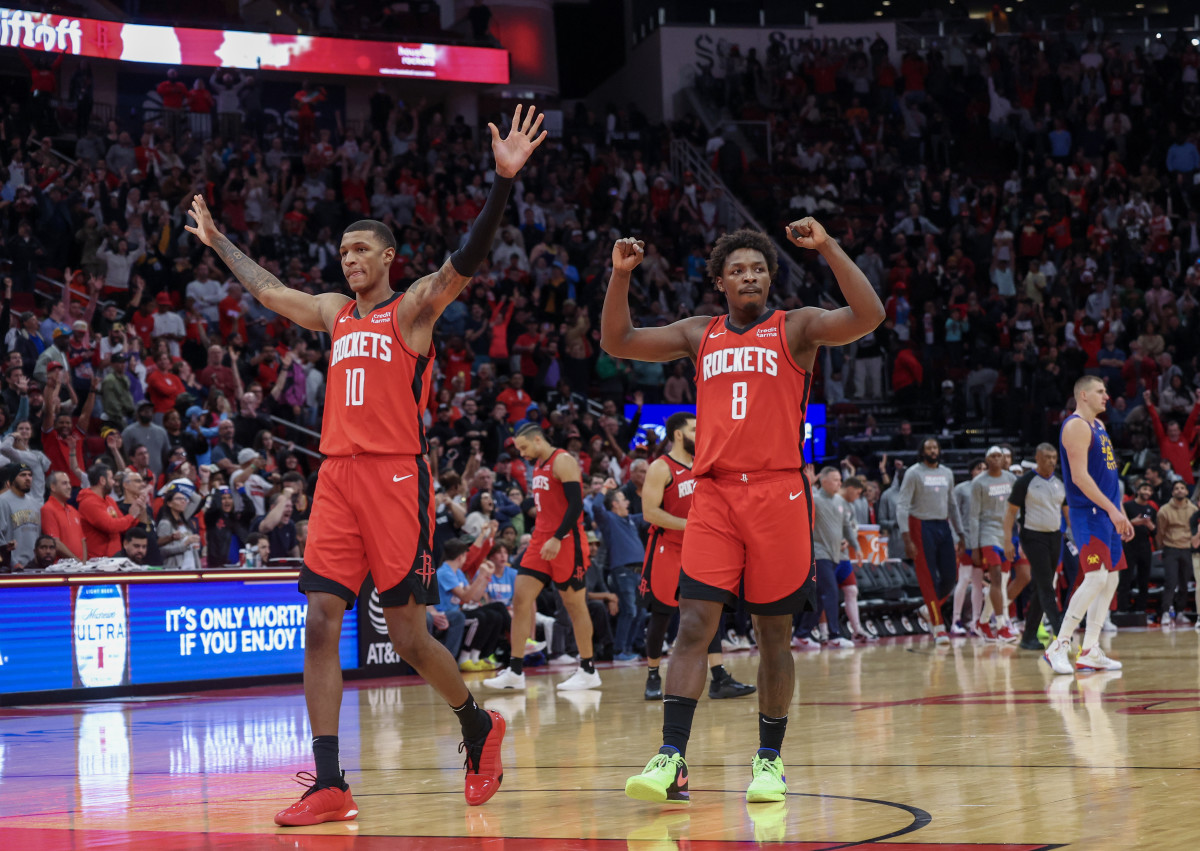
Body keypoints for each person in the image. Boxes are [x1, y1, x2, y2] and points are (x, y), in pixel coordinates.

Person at [185, 103, 546, 823]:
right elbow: (267, 291)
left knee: (408, 635)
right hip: (337, 479)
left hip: (396, 477)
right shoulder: (332, 313)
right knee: (320, 619)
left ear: (388, 259)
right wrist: (221, 242)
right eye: (343, 252)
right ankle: (329, 781)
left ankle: (477, 724)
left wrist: (502, 183)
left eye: (361, 251)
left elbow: (465, 263)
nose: (349, 260)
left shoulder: (410, 311)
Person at [603, 218, 884, 805]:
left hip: (779, 495)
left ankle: (769, 761)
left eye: (758, 268)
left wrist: (830, 245)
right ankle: (671, 758)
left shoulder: (797, 327)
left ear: (769, 277)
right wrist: (620, 276)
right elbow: (618, 341)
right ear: (721, 283)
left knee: (773, 636)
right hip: (716, 496)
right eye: (738, 270)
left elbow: (869, 314)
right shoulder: (697, 332)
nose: (749, 275)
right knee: (692, 627)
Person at [638, 412, 755, 700]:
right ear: (678, 434)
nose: (699, 434)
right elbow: (650, 512)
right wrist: (692, 525)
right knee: (662, 614)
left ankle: (719, 677)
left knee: (708, 609)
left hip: (698, 548)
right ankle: (653, 676)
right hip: (667, 546)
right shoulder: (660, 467)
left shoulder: (704, 465)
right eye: (693, 429)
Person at [482, 423, 600, 692]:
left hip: (566, 540)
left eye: (523, 447)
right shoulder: (537, 464)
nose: (522, 454)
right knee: (521, 598)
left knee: (574, 604)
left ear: (538, 439)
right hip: (540, 540)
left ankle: (588, 668)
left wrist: (557, 537)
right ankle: (514, 670)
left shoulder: (564, 461)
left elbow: (576, 505)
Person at [1044, 376, 1133, 675]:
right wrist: (1111, 510)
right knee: (1095, 577)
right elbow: (1080, 478)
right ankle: (1059, 644)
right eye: (1100, 391)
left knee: (1111, 580)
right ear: (1083, 395)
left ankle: (1091, 650)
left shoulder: (1100, 427)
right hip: (1089, 513)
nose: (1107, 396)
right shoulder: (1075, 426)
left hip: (1107, 512)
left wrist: (1119, 512)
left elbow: (1108, 478)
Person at [896, 437, 965, 644]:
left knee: (951, 576)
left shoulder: (947, 473)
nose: (933, 450)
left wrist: (960, 533)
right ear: (922, 451)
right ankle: (938, 627)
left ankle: (928, 609)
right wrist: (906, 538)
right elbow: (902, 506)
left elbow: (952, 504)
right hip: (920, 525)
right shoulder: (914, 473)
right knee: (928, 579)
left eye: (935, 447)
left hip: (943, 525)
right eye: (929, 447)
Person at [1003, 444, 1067, 651]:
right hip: (1033, 536)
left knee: (1043, 586)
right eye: (1047, 457)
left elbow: (1067, 511)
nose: (1051, 461)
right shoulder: (1025, 482)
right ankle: (1061, 632)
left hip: (1055, 536)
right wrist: (1007, 540)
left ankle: (1029, 636)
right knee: (1046, 584)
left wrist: (1078, 537)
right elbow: (1010, 513)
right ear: (1037, 458)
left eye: (1054, 457)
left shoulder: (1059, 482)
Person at [587, 477, 649, 662]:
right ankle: (619, 651)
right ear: (614, 504)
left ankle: (628, 649)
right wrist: (605, 487)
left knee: (641, 613)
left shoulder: (631, 520)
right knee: (629, 610)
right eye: (624, 499)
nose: (628, 502)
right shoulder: (608, 519)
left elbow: (651, 515)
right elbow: (597, 507)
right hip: (623, 571)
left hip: (639, 572)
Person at [805, 467, 861, 649]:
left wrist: (857, 547)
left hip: (836, 556)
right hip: (819, 554)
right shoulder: (814, 498)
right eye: (836, 480)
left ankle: (801, 634)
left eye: (839, 479)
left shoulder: (840, 502)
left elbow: (846, 527)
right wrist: (809, 483)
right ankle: (834, 635)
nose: (839, 483)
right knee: (831, 592)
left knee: (822, 597)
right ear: (824, 481)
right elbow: (799, 500)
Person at [969, 446, 1018, 642]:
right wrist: (974, 546)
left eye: (1000, 456)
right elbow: (973, 517)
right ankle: (1000, 626)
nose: (997, 459)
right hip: (987, 534)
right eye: (993, 456)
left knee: (1002, 583)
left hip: (1006, 534)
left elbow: (1017, 511)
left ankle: (981, 622)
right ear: (987, 460)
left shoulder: (1011, 479)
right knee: (996, 579)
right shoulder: (978, 483)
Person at [78, 463, 146, 558]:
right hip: (98, 560)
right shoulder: (89, 503)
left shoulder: (109, 500)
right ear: (102, 480)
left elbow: (124, 525)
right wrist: (131, 516)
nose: (114, 482)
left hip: (114, 557)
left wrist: (137, 512)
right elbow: (111, 526)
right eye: (111, 479)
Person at [950, 459, 986, 636]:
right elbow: (952, 515)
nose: (981, 471)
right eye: (978, 468)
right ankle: (955, 620)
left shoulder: (987, 489)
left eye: (984, 469)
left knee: (978, 583)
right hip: (966, 540)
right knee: (964, 579)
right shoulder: (961, 489)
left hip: (982, 541)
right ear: (971, 471)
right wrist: (956, 538)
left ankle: (975, 622)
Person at [1155, 480, 1195, 629]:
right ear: (1172, 492)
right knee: (1170, 582)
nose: (1179, 490)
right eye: (1176, 488)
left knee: (1185, 584)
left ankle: (1180, 611)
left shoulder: (1193, 509)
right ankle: (1165, 612)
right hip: (1170, 548)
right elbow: (1160, 532)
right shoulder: (1164, 510)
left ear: (1186, 491)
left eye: (1182, 488)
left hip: (1187, 548)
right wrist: (1162, 548)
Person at [1119, 480, 1156, 616]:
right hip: (1129, 546)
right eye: (1144, 489)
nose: (1147, 492)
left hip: (1145, 547)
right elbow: (1121, 525)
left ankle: (1141, 609)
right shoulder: (1127, 506)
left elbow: (1155, 532)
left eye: (1149, 490)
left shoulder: (1151, 510)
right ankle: (1122, 609)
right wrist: (1134, 522)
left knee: (1144, 580)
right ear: (1138, 491)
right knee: (1125, 579)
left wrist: (1149, 524)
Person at [0, 463, 41, 571]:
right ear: (13, 479)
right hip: (12, 566)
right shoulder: (3, 501)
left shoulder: (35, 503)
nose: (28, 478)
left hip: (34, 564)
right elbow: (1, 537)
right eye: (23, 475)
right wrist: (13, 562)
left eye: (30, 475)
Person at [41, 470, 87, 562]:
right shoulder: (47, 509)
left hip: (79, 568)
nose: (69, 487)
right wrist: (77, 561)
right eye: (64, 483)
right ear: (53, 487)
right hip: (61, 569)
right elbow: (55, 542)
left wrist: (84, 564)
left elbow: (83, 541)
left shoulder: (73, 510)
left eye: (69, 483)